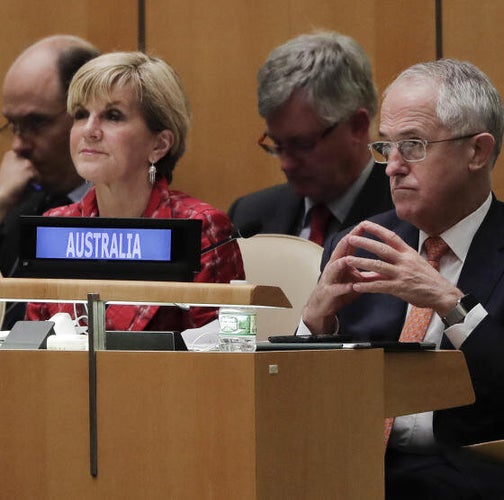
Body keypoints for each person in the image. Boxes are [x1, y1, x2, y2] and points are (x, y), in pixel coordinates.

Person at [300, 59, 504, 499]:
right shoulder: (361, 244)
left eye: (413, 146)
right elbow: (302, 401)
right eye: (386, 147)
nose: (392, 167)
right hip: (353, 467)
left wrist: (450, 303)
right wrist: (313, 326)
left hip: (468, 474)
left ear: (477, 151)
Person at [25, 51, 244, 331]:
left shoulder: (200, 229)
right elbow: (32, 348)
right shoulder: (54, 226)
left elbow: (224, 353)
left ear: (159, 145)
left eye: (113, 116)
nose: (89, 130)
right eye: (81, 115)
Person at [227, 31, 393, 245]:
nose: (285, 164)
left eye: (303, 144)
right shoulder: (250, 216)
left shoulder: (408, 216)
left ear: (357, 126)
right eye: (277, 144)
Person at [0, 35, 99, 328]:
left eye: (36, 123)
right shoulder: (17, 211)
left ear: (84, 115)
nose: (18, 145)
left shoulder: (135, 209)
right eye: (13, 126)